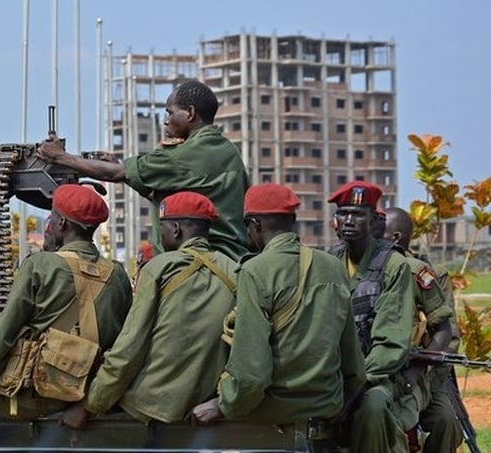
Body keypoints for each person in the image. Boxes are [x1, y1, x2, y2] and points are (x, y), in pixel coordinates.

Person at [0, 184, 132, 426]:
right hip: (85, 399)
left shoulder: (40, 265)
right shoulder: (118, 274)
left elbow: (2, 335)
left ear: (61, 223)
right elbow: (122, 345)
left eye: (52, 216)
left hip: (34, 399)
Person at [190, 184, 365, 447]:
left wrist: (223, 404)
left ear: (255, 224)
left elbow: (251, 375)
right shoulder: (333, 267)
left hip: (275, 416)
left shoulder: (255, 271)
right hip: (325, 412)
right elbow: (352, 359)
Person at [60, 191, 239, 427]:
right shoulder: (233, 270)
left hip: (148, 406)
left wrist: (92, 404)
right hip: (204, 405)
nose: (159, 234)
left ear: (176, 229)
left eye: (161, 227)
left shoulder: (160, 267)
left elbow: (129, 347)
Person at [38, 79, 250, 261]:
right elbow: (169, 197)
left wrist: (60, 157)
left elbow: (114, 174)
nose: (166, 121)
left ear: (191, 113)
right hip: (231, 261)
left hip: (197, 263)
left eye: (170, 113)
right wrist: (119, 167)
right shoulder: (227, 151)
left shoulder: (183, 155)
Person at [328, 181, 416, 453]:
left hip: (378, 376)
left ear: (373, 219)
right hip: (333, 372)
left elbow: (390, 343)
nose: (349, 221)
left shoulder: (393, 265)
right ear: (335, 220)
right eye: (343, 213)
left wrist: (353, 393)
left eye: (358, 214)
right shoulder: (327, 262)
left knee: (373, 407)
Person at [383, 207, 461, 453]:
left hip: (425, 374)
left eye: (380, 232)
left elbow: (450, 336)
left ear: (395, 237)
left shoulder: (429, 274)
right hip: (383, 374)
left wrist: (422, 372)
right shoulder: (371, 269)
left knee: (446, 421)